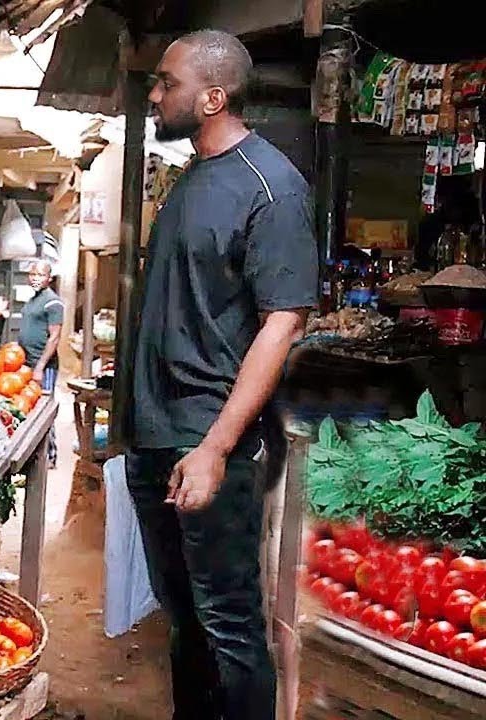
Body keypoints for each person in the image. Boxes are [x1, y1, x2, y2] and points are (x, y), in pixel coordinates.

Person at [128, 30, 318, 720]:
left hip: (210, 443)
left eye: (166, 83)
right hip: (158, 437)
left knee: (231, 627)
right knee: (185, 623)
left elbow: (282, 322)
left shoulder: (272, 187)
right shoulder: (192, 179)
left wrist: (213, 448)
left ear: (213, 96)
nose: (154, 94)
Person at [19, 259, 63, 392]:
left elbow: (54, 337)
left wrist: (40, 367)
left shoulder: (53, 302)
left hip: (43, 365)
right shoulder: (33, 300)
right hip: (27, 362)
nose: (35, 279)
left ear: (49, 278)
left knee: (43, 405)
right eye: (33, 274)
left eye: (40, 275)